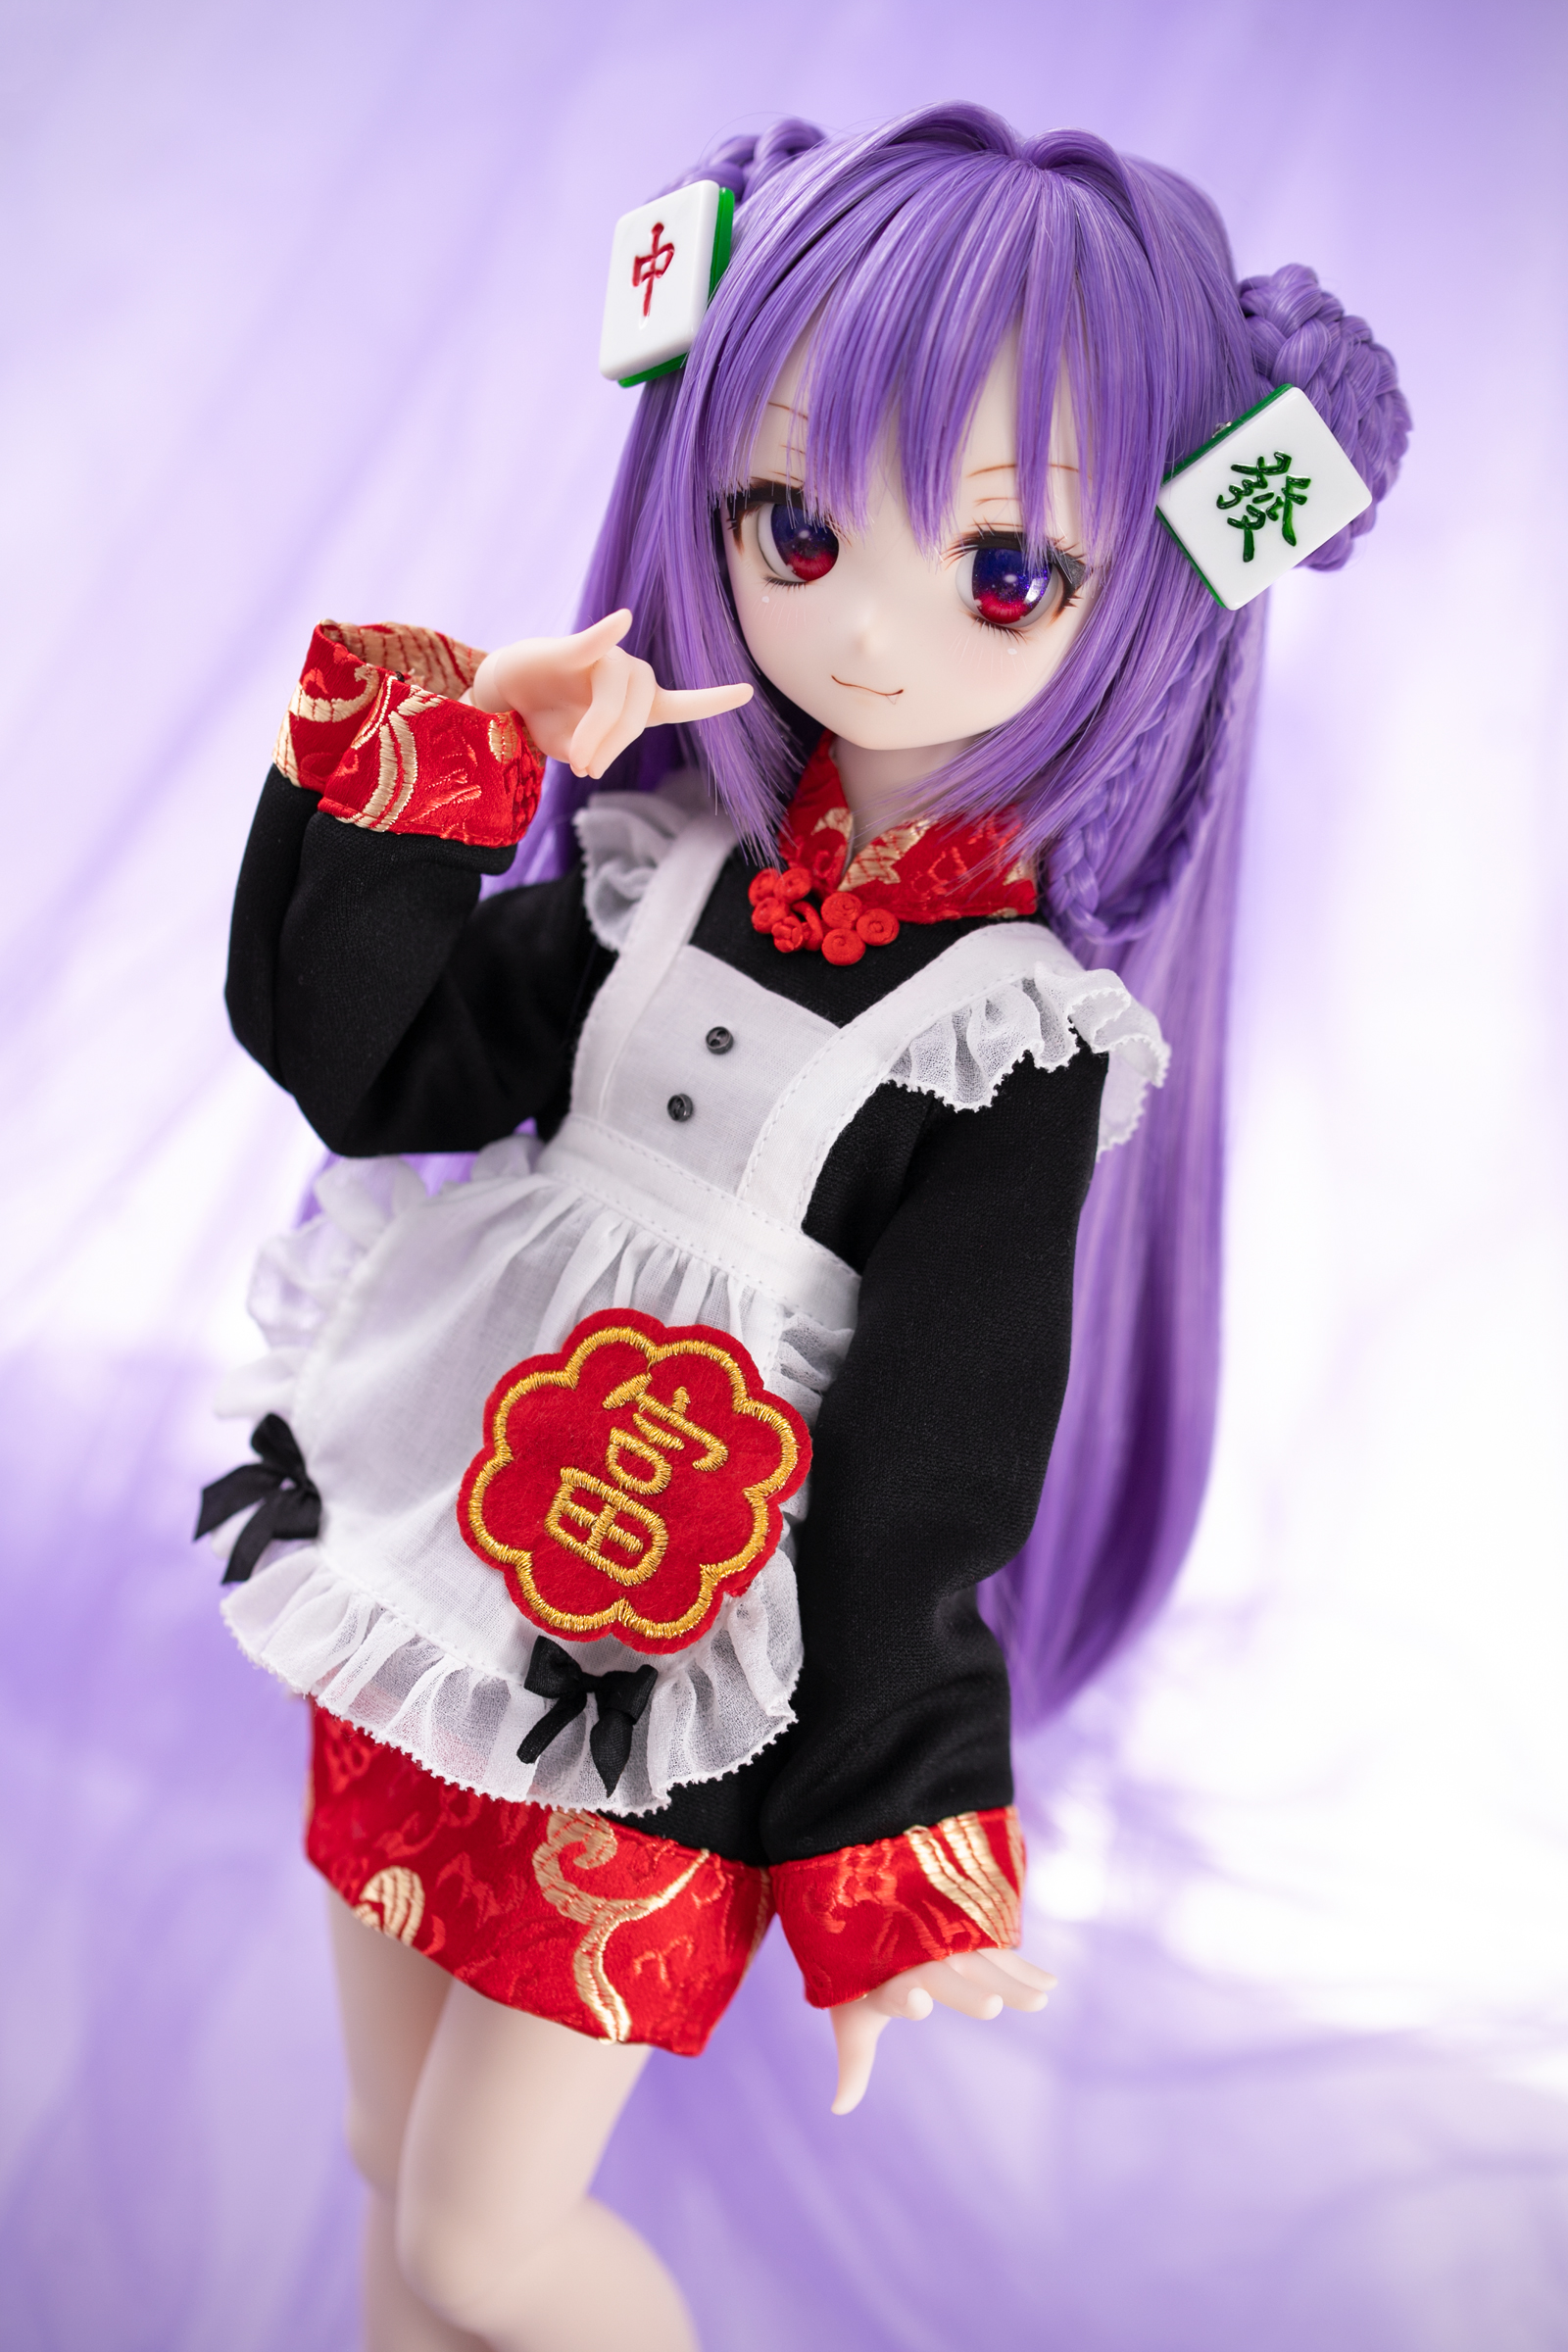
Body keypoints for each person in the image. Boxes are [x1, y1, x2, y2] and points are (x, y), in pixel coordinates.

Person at [209, 106, 1408, 2352]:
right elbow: (372, 1070)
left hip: (668, 1660)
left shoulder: (1008, 1040)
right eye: (793, 519)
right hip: (428, 1548)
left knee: (484, 2239)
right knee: (388, 2161)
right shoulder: (650, 863)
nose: (862, 624)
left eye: (1000, 570)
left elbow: (931, 1460)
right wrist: (457, 746)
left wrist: (890, 1856)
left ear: (1149, 588)